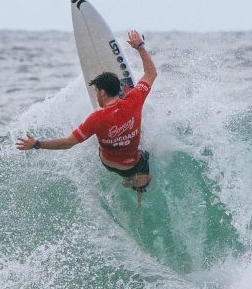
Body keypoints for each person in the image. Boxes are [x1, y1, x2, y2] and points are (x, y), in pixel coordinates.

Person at [16, 29, 157, 192]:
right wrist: (139, 47)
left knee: (100, 125)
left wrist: (37, 144)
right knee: (145, 152)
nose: (95, 94)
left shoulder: (95, 119)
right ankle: (138, 186)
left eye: (96, 91)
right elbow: (151, 73)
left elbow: (68, 143)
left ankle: (127, 176)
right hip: (132, 165)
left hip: (108, 163)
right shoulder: (134, 100)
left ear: (102, 92)